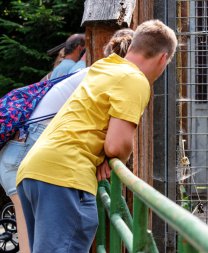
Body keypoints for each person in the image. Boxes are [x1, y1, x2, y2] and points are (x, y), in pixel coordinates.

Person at [16, 19, 177, 253]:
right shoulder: (135, 79)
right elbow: (116, 145)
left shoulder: (105, 67)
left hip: (35, 170)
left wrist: (103, 152)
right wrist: (114, 155)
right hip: (65, 177)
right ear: (163, 59)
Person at [0, 28, 134, 253]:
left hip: (17, 150)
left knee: (29, 245)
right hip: (28, 151)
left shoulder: (92, 73)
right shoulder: (110, 77)